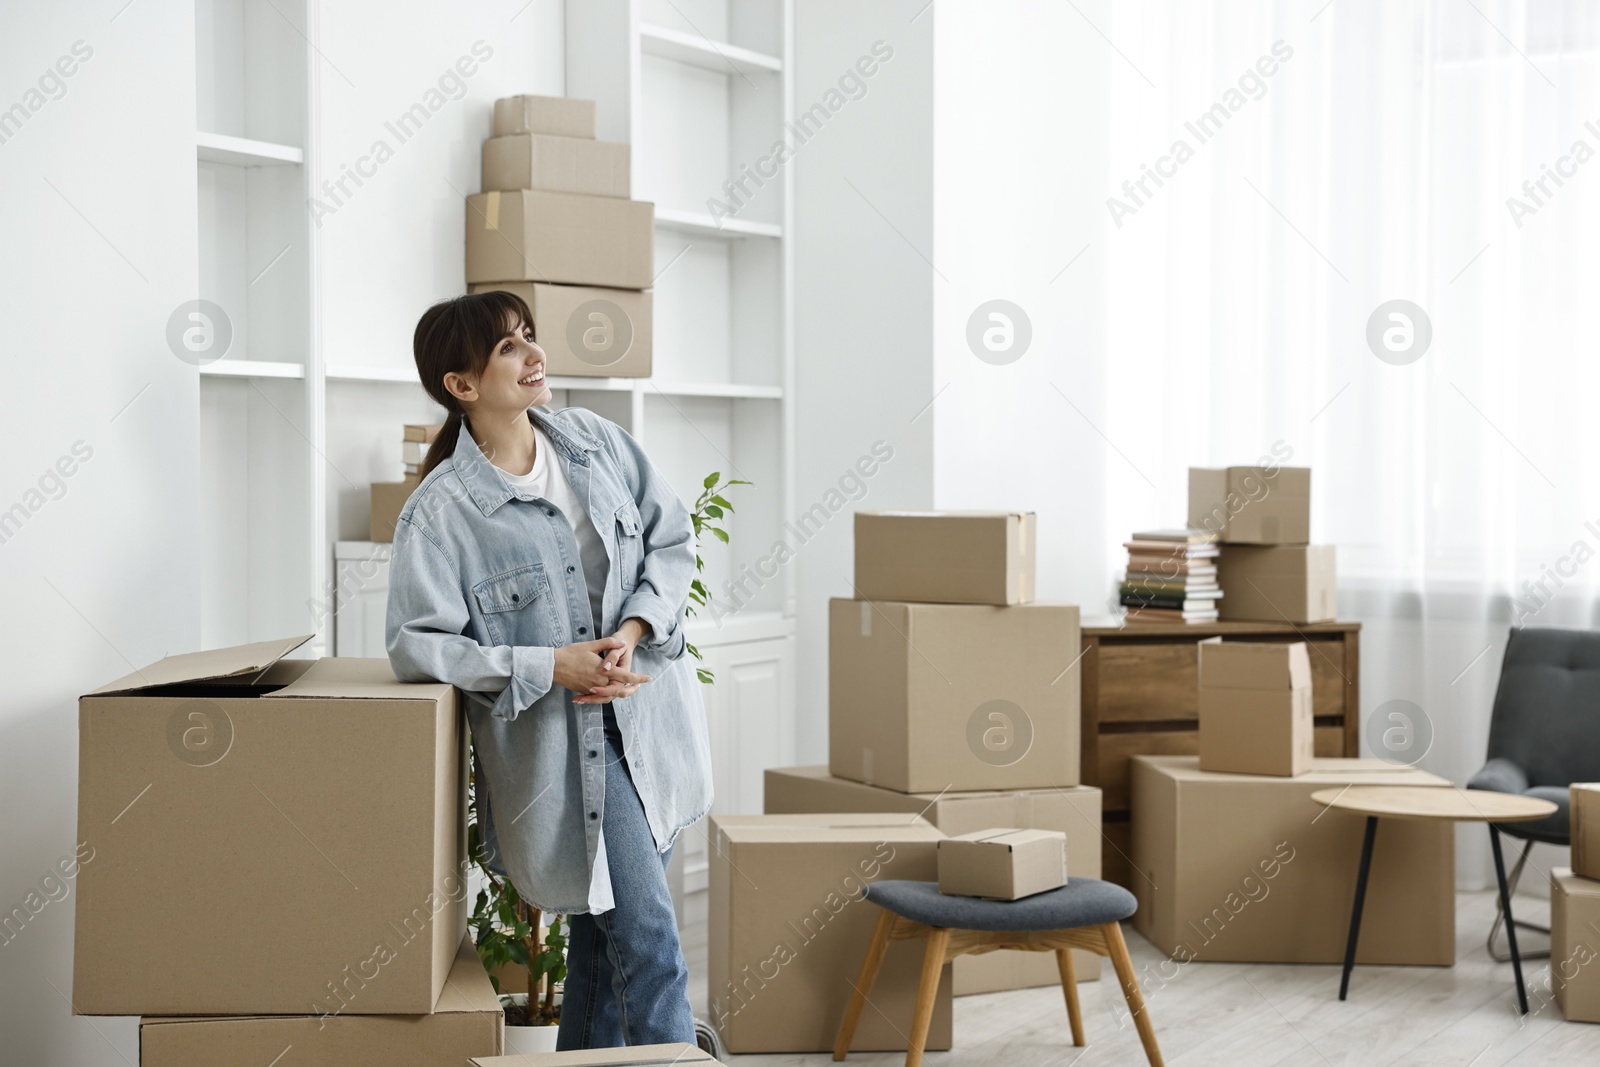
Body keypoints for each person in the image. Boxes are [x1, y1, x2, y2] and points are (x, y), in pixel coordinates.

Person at [385, 290, 712, 1048]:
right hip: (567, 760)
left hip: (649, 728)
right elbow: (417, 644)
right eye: (508, 348)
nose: (535, 355)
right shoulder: (440, 514)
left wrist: (632, 628)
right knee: (651, 947)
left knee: (602, 952)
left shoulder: (596, 442)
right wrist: (548, 665)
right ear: (460, 385)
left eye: (530, 337)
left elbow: (671, 540)